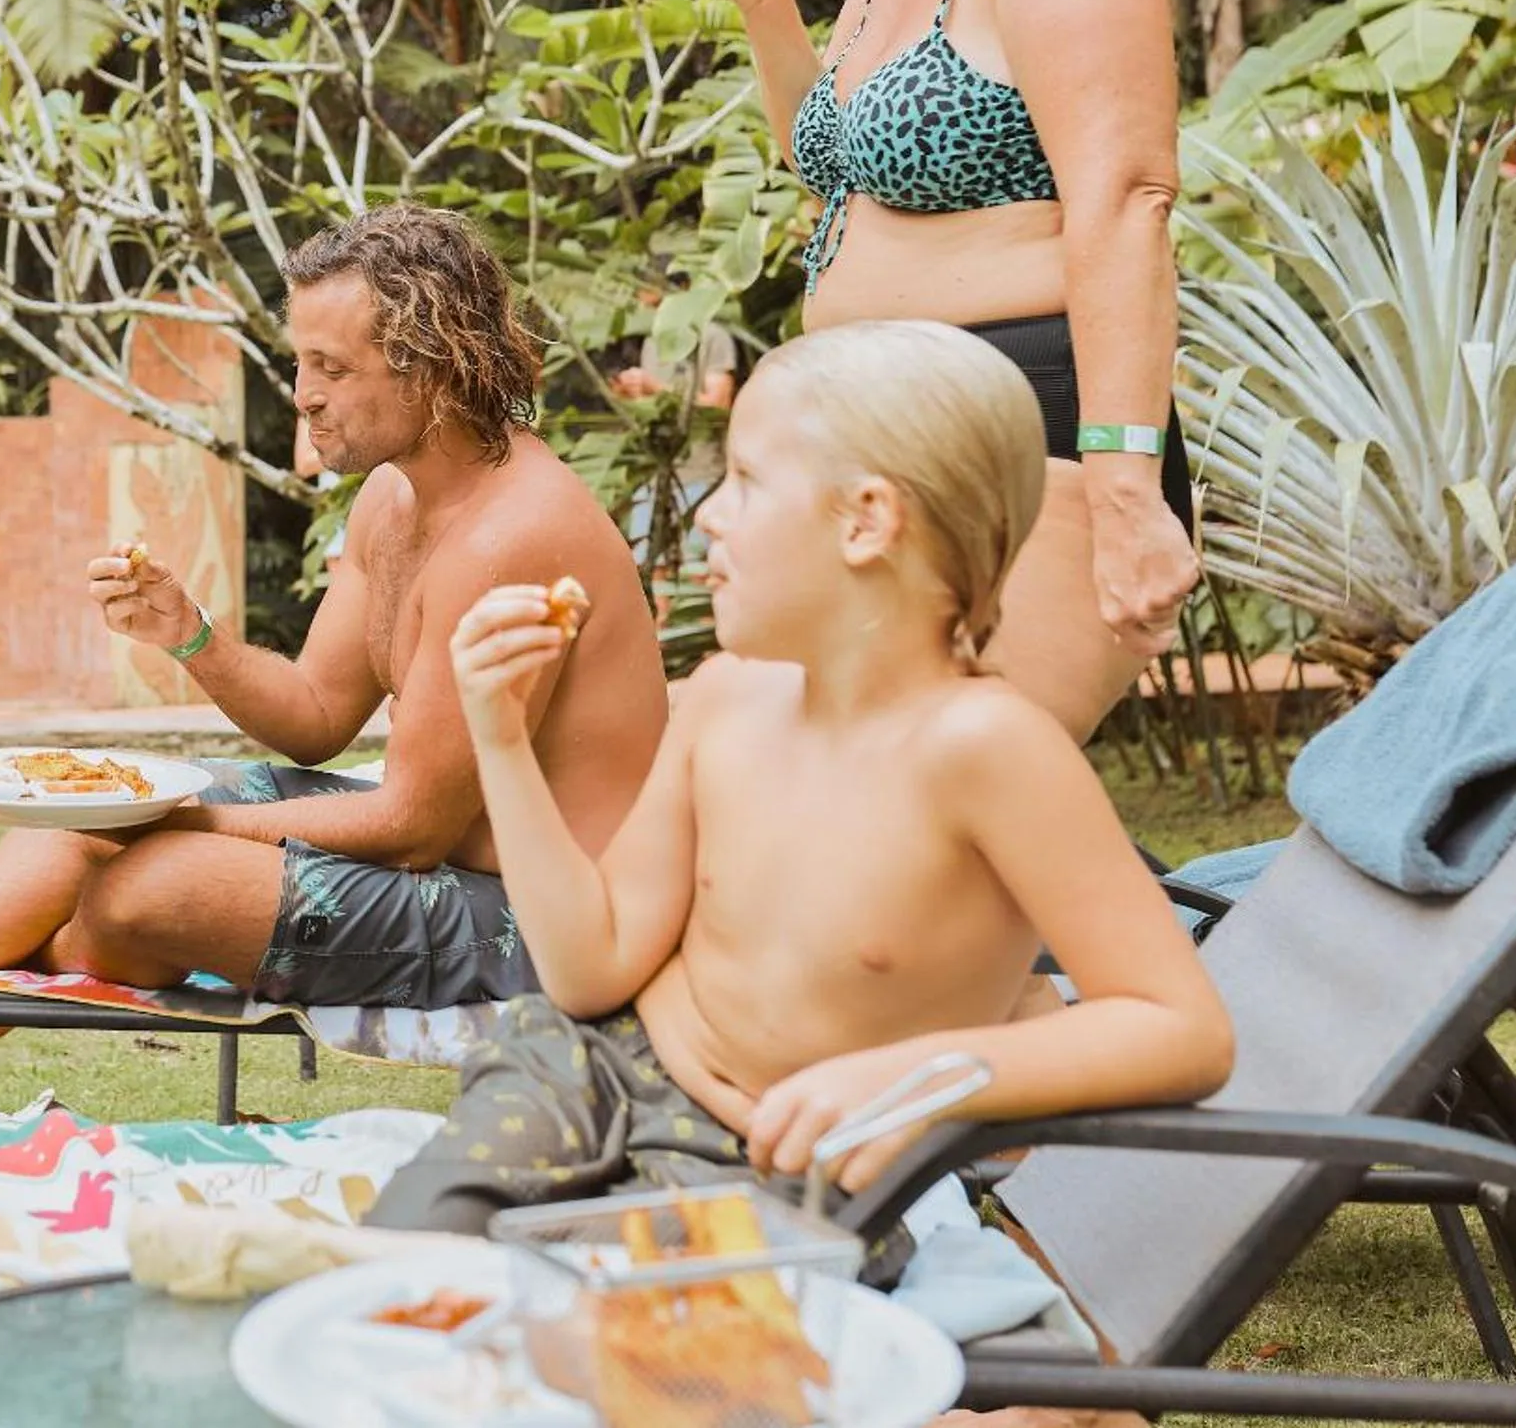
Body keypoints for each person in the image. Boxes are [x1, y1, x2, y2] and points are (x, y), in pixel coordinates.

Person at [364, 320, 1233, 1249]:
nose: (708, 515)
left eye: (745, 481)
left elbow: (1180, 1028)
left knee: (607, 1345)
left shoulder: (991, 751)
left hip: (776, 1157)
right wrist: (501, 740)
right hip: (589, 1066)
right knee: (400, 1267)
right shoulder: (724, 700)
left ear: (866, 519)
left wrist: (922, 1075)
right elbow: (588, 972)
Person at [0, 204, 668, 1023]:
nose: (302, 396)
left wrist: (184, 822)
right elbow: (314, 715)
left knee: (150, 883)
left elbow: (411, 825)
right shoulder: (392, 499)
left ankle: (14, 940)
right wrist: (189, 633)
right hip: (435, 858)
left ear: (432, 366)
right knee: (104, 799)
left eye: (331, 368)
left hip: (540, 917)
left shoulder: (510, 535)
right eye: (300, 364)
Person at [690, 0, 1201, 743]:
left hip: (1026, 443)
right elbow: (835, 176)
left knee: (913, 835)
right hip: (871, 442)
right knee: (810, 828)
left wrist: (1127, 484)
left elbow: (1125, 193)